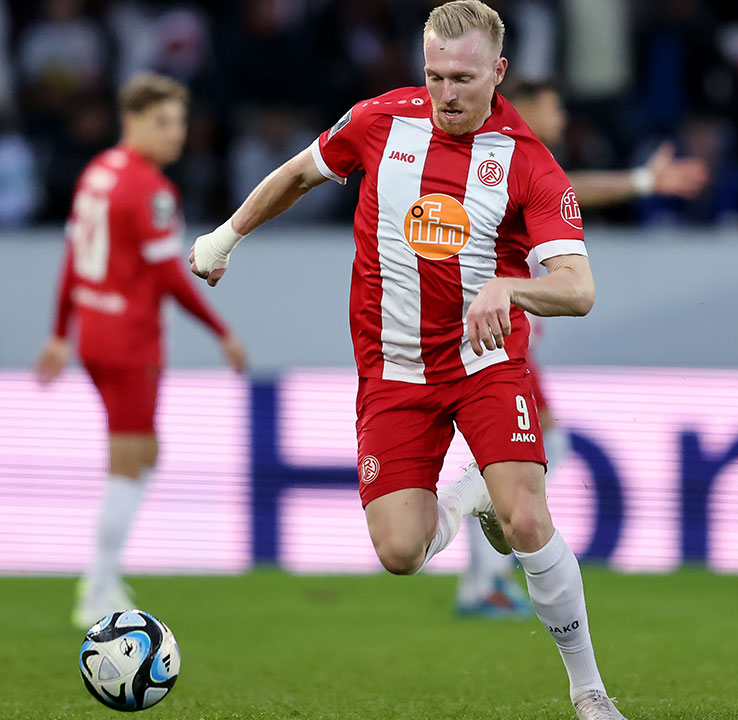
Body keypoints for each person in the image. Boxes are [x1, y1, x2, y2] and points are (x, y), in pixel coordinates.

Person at [189, 3, 627, 718]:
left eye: (463, 78)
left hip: (485, 364)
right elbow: (300, 173)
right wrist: (227, 234)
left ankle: (589, 693)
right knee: (400, 550)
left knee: (527, 519)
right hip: (393, 370)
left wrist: (511, 287)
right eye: (434, 75)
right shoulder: (378, 121)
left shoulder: (528, 162)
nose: (446, 93)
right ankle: (470, 495)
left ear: (499, 73)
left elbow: (579, 290)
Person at [454, 78, 708, 619]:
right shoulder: (503, 156)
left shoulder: (514, 158)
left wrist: (643, 180)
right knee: (533, 450)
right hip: (492, 331)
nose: (563, 115)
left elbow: (570, 189)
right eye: (554, 104)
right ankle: (483, 579)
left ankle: (485, 577)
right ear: (525, 106)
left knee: (540, 448)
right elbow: (575, 191)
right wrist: (642, 181)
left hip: (505, 330)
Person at [34, 71, 247, 629]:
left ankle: (103, 577)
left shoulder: (96, 175)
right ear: (132, 123)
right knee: (129, 461)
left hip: (93, 335)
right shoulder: (152, 190)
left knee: (146, 453)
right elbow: (171, 280)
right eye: (163, 122)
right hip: (130, 341)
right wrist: (222, 331)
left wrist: (61, 333)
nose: (175, 134)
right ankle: (97, 587)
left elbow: (73, 264)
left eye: (179, 121)